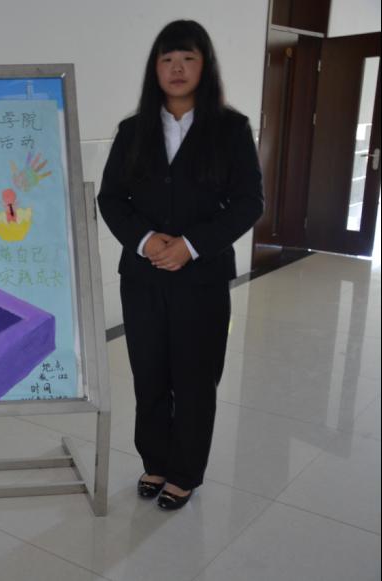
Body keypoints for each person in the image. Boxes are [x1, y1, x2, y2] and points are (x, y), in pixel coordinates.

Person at [97, 20, 263, 511]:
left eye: (188, 58)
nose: (177, 68)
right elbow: (111, 199)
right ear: (155, 68)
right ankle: (155, 460)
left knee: (194, 378)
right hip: (142, 278)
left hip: (202, 278)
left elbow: (248, 202)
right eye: (167, 59)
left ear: (204, 66)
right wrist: (146, 241)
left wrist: (191, 245)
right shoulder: (133, 130)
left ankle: (185, 472)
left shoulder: (231, 129)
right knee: (149, 374)